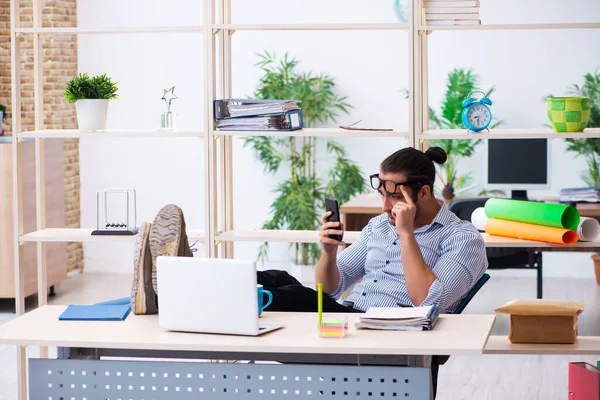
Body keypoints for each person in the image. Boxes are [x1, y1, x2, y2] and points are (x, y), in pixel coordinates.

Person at [131, 146, 488, 315]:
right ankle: (179, 277)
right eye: (382, 193)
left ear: (424, 192)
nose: (384, 207)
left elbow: (427, 302)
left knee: (294, 299)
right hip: (351, 319)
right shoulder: (380, 225)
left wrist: (408, 235)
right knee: (276, 277)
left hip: (392, 330)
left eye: (394, 197)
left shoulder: (463, 240)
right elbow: (331, 287)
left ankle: (177, 291)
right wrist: (329, 253)